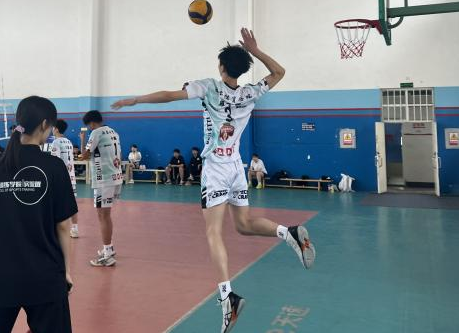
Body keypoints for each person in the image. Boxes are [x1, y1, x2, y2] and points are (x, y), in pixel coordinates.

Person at [112, 28, 315, 333]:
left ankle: (227, 298)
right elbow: (279, 72)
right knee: (243, 225)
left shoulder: (208, 87)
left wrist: (136, 100)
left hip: (217, 169)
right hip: (236, 167)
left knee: (213, 232)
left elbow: (170, 95)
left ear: (221, 67)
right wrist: (255, 50)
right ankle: (290, 232)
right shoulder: (250, 93)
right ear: (241, 69)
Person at [0, 96, 77, 333]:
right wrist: (66, 271)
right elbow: (63, 226)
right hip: (45, 276)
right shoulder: (54, 167)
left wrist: (1, 252)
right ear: (45, 124)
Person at [79, 110, 122, 267]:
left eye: (89, 125)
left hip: (104, 178)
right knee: (105, 214)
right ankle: (109, 248)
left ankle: (107, 254)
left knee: (103, 215)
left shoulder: (96, 132)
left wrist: (82, 140)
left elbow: (84, 155)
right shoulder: (113, 131)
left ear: (91, 123)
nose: (90, 127)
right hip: (115, 176)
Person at [50, 119, 79, 238]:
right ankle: (75, 228)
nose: (51, 129)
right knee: (72, 203)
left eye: (52, 127)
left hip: (60, 178)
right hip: (71, 177)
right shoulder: (68, 142)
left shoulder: (56, 142)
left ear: (56, 129)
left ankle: (57, 229)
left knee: (56, 204)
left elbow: (54, 162)